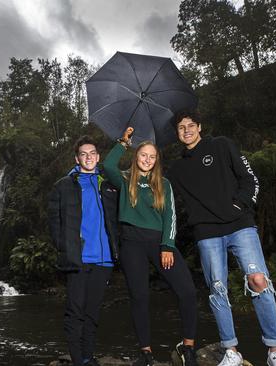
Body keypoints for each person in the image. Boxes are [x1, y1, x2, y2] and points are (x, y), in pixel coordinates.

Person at [167, 110, 276, 366]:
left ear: (200, 126)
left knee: (259, 281)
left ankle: (275, 351)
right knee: (218, 289)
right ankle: (231, 351)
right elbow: (155, 190)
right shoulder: (177, 169)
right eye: (181, 127)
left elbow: (250, 180)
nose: (187, 130)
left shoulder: (222, 145)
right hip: (207, 233)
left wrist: (240, 206)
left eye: (191, 125)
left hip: (240, 226)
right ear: (177, 133)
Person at [103, 127, 198, 366]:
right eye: (143, 155)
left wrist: (167, 245)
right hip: (131, 244)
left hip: (159, 243)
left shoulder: (163, 184)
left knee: (187, 291)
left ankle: (188, 347)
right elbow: (108, 166)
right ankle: (145, 352)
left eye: (152, 156)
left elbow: (170, 217)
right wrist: (123, 143)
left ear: (157, 161)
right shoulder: (125, 179)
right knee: (140, 296)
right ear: (136, 157)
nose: (147, 159)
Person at [48, 136, 120, 366]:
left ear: (98, 157)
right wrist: (67, 247)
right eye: (83, 154)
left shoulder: (108, 185)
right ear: (77, 158)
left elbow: (116, 219)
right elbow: (54, 222)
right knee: (75, 312)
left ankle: (88, 357)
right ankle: (79, 361)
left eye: (92, 153)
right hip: (78, 259)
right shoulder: (64, 184)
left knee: (92, 313)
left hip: (104, 260)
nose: (88, 157)